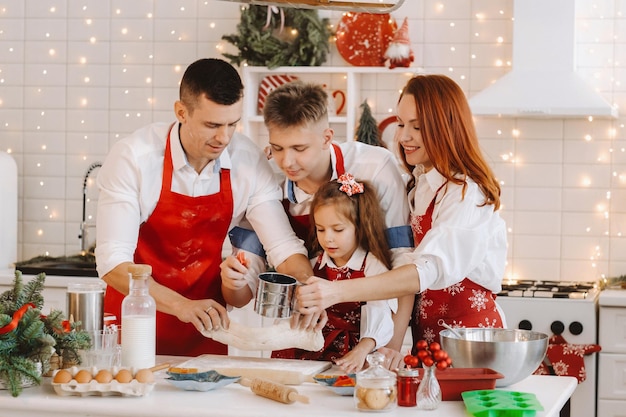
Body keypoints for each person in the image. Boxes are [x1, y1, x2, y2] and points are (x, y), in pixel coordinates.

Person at [95, 58, 315, 357]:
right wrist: (181, 306)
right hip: (135, 322)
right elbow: (112, 264)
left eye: (232, 124)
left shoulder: (247, 161)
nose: (224, 137)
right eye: (212, 125)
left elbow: (283, 246)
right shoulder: (133, 157)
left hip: (208, 326)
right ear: (181, 112)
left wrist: (311, 291)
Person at [296, 74, 507, 357]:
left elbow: (424, 271)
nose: (403, 136)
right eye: (401, 123)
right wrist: (392, 344)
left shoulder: (466, 194)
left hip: (472, 340)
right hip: (428, 338)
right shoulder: (419, 184)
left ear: (446, 128)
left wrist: (338, 291)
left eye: (417, 127)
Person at [221, 80, 412, 309]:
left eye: (299, 149)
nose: (287, 162)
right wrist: (233, 281)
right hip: (301, 323)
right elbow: (241, 296)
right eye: (277, 148)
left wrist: (392, 341)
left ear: (327, 138)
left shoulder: (375, 166)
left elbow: (401, 261)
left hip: (371, 322)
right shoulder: (265, 180)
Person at [272, 174, 396, 373]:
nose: (328, 239)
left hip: (352, 355)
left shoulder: (373, 267)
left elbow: (380, 312)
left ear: (360, 226)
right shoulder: (313, 264)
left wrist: (362, 350)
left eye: (338, 230)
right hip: (309, 353)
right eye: (320, 230)